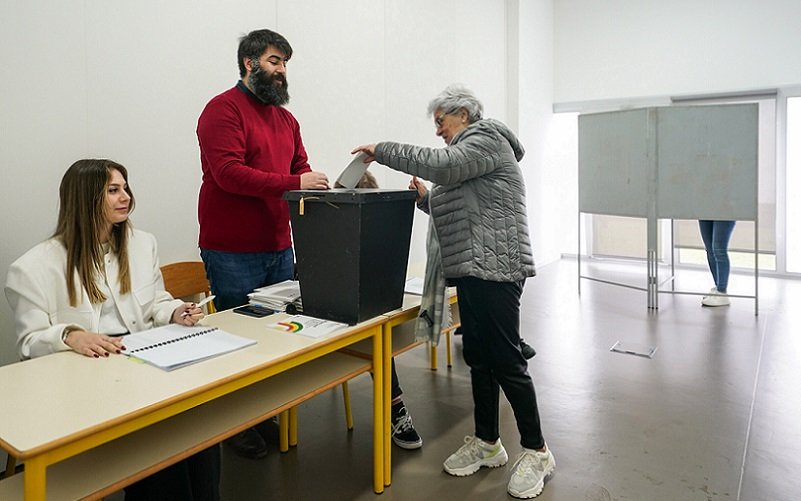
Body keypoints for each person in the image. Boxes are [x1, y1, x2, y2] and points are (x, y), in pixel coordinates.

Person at [352, 84, 555, 499]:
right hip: (473, 270)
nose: (438, 132)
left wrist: (381, 149)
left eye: (441, 122)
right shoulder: (469, 157)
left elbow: (440, 165)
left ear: (462, 113)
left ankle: (537, 451)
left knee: (506, 361)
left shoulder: (485, 140)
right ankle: (487, 442)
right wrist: (427, 201)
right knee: (480, 359)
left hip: (496, 269)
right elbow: (458, 206)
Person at [4, 159, 220, 501]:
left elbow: (154, 302)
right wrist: (70, 335)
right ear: (85, 198)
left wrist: (176, 311)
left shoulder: (141, 243)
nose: (126, 198)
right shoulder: (33, 268)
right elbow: (29, 343)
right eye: (113, 190)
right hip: (86, 381)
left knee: (199, 427)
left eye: (125, 188)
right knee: (162, 444)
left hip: (141, 365)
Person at [196, 28, 329, 459]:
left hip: (278, 244)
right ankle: (236, 424)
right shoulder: (222, 110)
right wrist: (295, 182)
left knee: (276, 337)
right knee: (239, 339)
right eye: (274, 61)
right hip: (232, 249)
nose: (281, 71)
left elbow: (300, 167)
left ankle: (263, 415)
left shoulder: (287, 120)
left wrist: (315, 186)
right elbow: (228, 173)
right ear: (249, 63)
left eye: (285, 64)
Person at [335, 170, 424, 449]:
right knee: (376, 336)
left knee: (377, 334)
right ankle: (396, 407)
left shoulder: (379, 235)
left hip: (366, 320)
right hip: (332, 322)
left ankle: (395, 406)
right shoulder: (327, 231)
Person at [698, 220, 736, 307]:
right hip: (704, 210)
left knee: (719, 249)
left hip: (725, 210)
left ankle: (722, 291)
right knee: (710, 249)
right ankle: (718, 288)